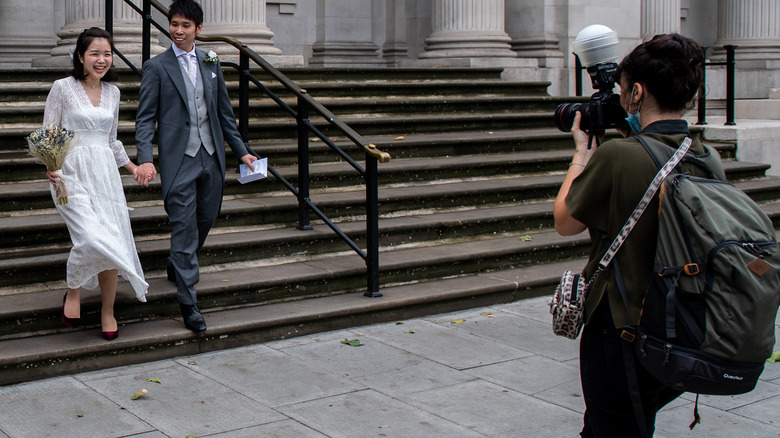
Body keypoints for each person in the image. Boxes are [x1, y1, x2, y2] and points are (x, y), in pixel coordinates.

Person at [553, 33, 708, 437]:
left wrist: (581, 156)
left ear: (637, 92)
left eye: (623, 90)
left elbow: (565, 222)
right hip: (681, 325)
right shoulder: (704, 155)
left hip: (621, 326)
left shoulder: (618, 155)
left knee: (608, 429)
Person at [134, 0, 256, 333]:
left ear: (197, 30)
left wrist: (242, 152)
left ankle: (178, 261)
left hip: (212, 156)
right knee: (184, 229)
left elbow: (224, 114)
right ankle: (189, 303)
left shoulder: (211, 61)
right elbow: (145, 119)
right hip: (178, 161)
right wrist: (145, 156)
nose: (178, 30)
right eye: (174, 24)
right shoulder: (156, 67)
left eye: (185, 25)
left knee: (206, 218)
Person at [43, 27, 149, 341]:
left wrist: (131, 167)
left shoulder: (114, 93)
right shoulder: (62, 88)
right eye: (94, 53)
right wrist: (51, 165)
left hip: (105, 176)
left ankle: (107, 309)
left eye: (106, 53)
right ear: (80, 56)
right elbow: (49, 133)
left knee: (111, 240)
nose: (101, 60)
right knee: (90, 237)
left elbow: (112, 141)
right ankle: (73, 291)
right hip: (68, 175)